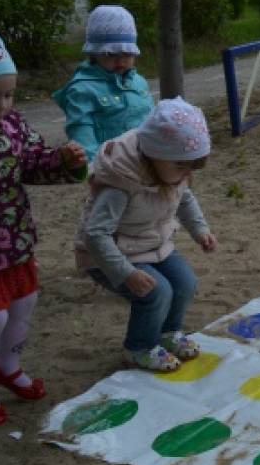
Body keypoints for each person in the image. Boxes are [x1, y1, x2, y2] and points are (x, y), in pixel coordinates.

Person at [0, 14, 87, 426]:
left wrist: (62, 161)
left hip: (14, 240)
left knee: (24, 303)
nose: (2, 105)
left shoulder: (12, 124)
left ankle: (6, 366)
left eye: (8, 95)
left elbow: (30, 163)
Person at [77, 98, 217, 372]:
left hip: (153, 243)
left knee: (185, 282)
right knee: (157, 291)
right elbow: (95, 234)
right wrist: (126, 273)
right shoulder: (119, 182)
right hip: (110, 254)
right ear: (154, 155)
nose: (186, 174)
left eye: (192, 167)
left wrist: (200, 229)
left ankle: (167, 332)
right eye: (181, 166)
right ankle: (138, 347)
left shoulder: (172, 171)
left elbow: (185, 198)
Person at [52, 5, 154, 163]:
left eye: (127, 54)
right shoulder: (82, 89)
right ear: (94, 53)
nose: (120, 60)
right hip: (111, 167)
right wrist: (94, 167)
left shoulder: (138, 82)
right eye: (111, 54)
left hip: (147, 161)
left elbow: (150, 118)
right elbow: (81, 130)